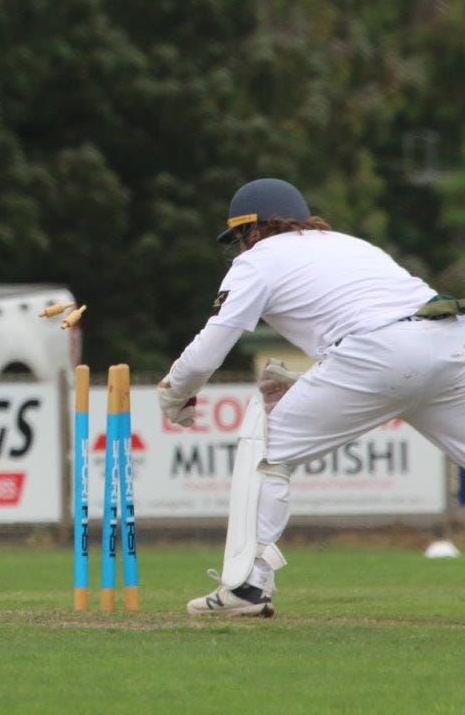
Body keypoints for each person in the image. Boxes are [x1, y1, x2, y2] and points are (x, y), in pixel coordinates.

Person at [157, 178, 465, 617]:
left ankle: (248, 586)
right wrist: (309, 381)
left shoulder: (258, 260)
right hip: (450, 340)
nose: (242, 246)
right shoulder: (349, 244)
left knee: (271, 450)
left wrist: (176, 390)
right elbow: (388, 334)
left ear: (255, 228)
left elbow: (212, 344)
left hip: (379, 353)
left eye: (242, 235)